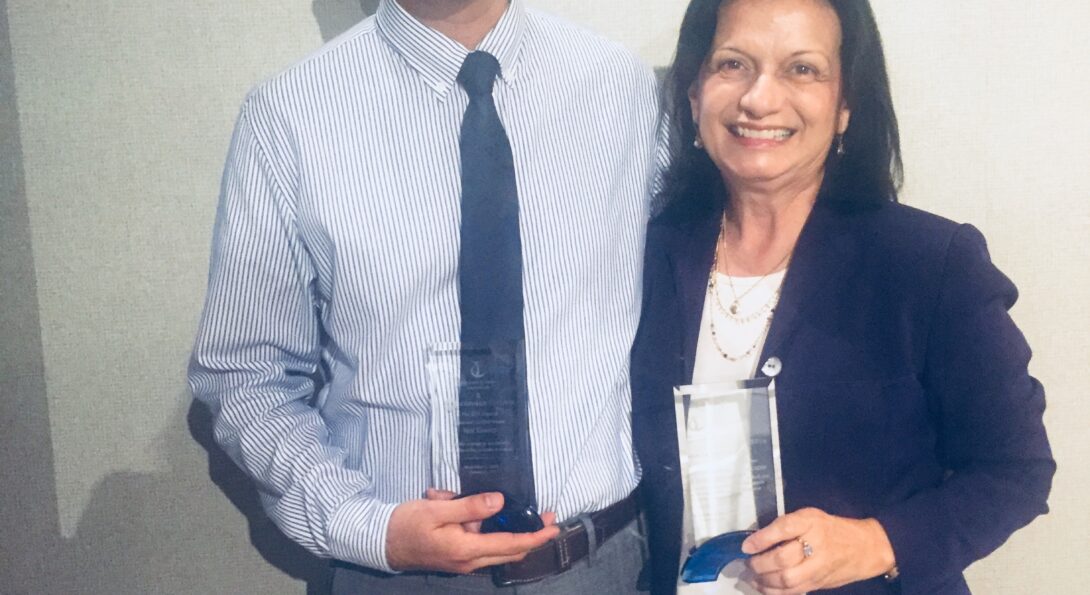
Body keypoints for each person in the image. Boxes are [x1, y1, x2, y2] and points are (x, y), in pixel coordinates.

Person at [188, 0, 660, 592]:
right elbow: (245, 372)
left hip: (608, 563)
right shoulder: (290, 114)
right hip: (398, 574)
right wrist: (367, 528)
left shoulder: (623, 89)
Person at [630, 0, 1055, 594]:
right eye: (732, 64)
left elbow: (1016, 472)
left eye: (802, 69)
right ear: (694, 92)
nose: (759, 98)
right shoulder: (639, 258)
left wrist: (877, 543)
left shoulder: (928, 264)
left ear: (846, 104)